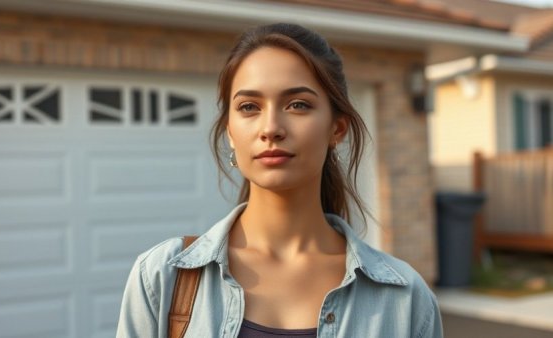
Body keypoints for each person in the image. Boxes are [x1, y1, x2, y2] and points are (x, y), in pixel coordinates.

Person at [116, 23, 443, 338]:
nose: (270, 127)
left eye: (298, 104)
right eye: (249, 107)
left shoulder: (405, 299)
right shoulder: (163, 277)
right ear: (230, 131)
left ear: (336, 129)